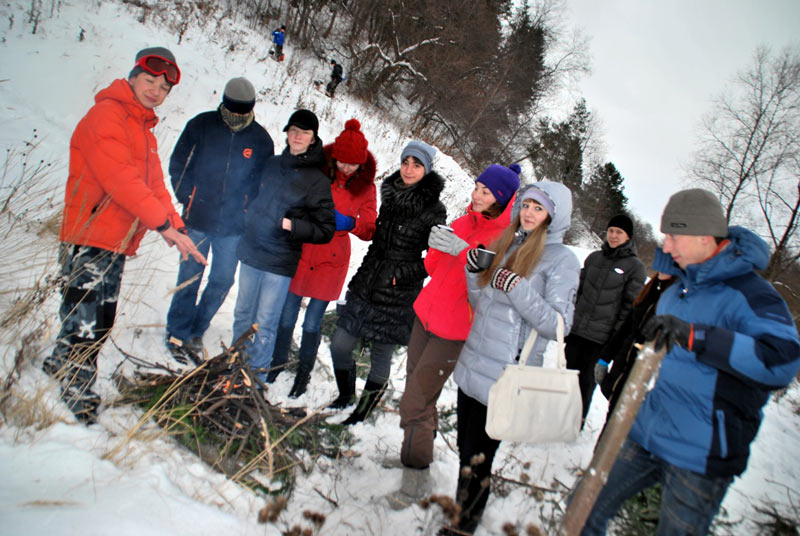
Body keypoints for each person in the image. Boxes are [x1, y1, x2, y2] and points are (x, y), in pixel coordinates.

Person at [580, 188, 800, 536]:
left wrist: (697, 336)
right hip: (649, 432)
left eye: (673, 236)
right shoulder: (678, 294)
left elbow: (782, 360)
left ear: (703, 235)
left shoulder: (751, 294)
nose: (666, 246)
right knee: (584, 508)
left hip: (701, 454)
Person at [42, 47, 206, 423]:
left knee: (89, 312)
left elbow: (154, 186)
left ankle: (57, 364)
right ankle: (76, 389)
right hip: (89, 235)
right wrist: (162, 226)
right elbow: (121, 180)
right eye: (150, 81)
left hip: (113, 240)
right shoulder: (107, 116)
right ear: (133, 76)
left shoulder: (142, 129)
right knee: (91, 320)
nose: (155, 91)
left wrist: (177, 227)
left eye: (164, 89)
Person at [442, 181, 581, 534]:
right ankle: (461, 513)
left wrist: (517, 287)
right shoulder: (507, 243)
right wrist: (474, 272)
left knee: (479, 459)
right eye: (526, 205)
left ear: (554, 215)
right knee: (464, 450)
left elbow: (558, 324)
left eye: (538, 207)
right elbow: (482, 303)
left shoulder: (562, 260)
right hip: (475, 361)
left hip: (507, 374)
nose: (529, 213)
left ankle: (463, 525)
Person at [388, 163, 521, 509]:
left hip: (455, 330)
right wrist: (435, 245)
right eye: (476, 187)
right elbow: (434, 267)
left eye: (485, 191)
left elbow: (488, 284)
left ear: (502, 198)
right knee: (417, 394)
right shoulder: (463, 221)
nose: (476, 194)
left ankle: (415, 476)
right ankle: (413, 454)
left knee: (415, 401)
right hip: (425, 317)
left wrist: (462, 250)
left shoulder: (504, 238)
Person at [329, 140, 446, 425]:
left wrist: (400, 276)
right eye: (406, 162)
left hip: (398, 292)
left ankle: (362, 413)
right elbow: (377, 244)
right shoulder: (391, 196)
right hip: (369, 283)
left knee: (381, 356)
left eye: (416, 165)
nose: (408, 169)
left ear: (426, 170)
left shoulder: (434, 210)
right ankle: (346, 396)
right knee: (340, 344)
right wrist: (361, 277)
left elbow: (435, 259)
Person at [164, 77, 274, 364]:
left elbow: (263, 185)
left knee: (222, 280)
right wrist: (187, 196)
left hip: (234, 228)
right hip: (198, 219)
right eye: (232, 111)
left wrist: (250, 212)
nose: (236, 117)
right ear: (224, 104)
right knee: (189, 278)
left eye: (243, 112)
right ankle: (177, 330)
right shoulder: (201, 126)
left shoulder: (261, 140)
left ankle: (196, 330)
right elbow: (179, 164)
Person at [267, 119, 378, 397]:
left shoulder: (366, 188)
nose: (346, 168)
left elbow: (370, 229)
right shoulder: (318, 172)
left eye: (353, 164)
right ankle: (277, 362)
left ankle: (303, 372)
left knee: (313, 321)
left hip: (332, 260)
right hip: (303, 250)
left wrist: (350, 223)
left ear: (362, 163)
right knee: (287, 313)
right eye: (342, 162)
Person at [231, 109, 335, 384]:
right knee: (243, 313)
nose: (297, 136)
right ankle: (234, 366)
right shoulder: (271, 164)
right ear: (287, 133)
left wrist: (294, 226)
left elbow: (326, 229)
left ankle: (257, 378)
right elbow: (251, 195)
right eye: (293, 130)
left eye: (304, 132)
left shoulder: (318, 180)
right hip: (252, 251)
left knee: (265, 321)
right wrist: (247, 215)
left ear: (313, 139)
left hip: (280, 260)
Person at [564, 213, 646, 423]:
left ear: (628, 236)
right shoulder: (594, 258)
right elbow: (578, 292)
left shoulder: (635, 267)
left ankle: (577, 420)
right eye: (611, 231)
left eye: (619, 232)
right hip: (577, 331)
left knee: (586, 382)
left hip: (601, 338)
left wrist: (614, 339)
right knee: (567, 376)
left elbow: (629, 308)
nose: (613, 235)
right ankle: (561, 415)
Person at [593, 272, 674, 428]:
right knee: (610, 425)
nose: (662, 269)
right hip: (622, 371)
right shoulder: (650, 289)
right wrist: (605, 358)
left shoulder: (675, 299)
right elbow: (626, 329)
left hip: (642, 377)